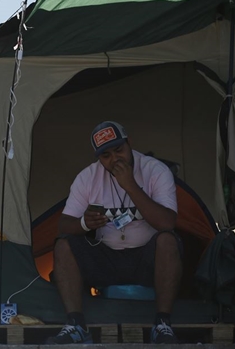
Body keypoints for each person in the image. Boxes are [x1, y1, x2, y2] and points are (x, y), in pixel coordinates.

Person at [47, 121, 182, 345]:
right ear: (98, 158)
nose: (115, 159)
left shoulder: (155, 170)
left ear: (130, 144)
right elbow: (63, 225)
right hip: (106, 259)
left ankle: (162, 324)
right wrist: (84, 223)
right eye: (106, 156)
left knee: (168, 241)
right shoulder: (87, 177)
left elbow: (167, 223)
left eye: (119, 150)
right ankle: (75, 325)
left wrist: (130, 185)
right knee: (63, 244)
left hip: (146, 260)